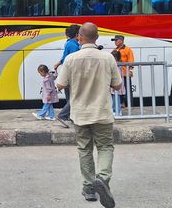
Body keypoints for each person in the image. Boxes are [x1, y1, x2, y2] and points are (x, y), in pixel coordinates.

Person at [56, 22, 122, 208]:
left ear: (79, 37)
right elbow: (117, 86)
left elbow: (60, 85)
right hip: (102, 112)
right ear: (97, 37)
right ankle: (102, 179)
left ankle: (89, 188)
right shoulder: (108, 58)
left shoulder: (71, 59)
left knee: (85, 149)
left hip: (80, 113)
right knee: (105, 147)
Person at [53, 24, 81, 126]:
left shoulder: (69, 43)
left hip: (67, 74)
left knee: (70, 97)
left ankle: (70, 117)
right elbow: (73, 60)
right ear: (77, 34)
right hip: (72, 75)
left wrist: (59, 63)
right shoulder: (74, 45)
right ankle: (63, 115)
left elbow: (65, 58)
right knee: (75, 97)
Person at [112, 35, 135, 107]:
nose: (115, 42)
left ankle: (129, 105)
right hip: (118, 74)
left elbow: (131, 61)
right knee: (119, 90)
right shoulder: (115, 50)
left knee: (127, 90)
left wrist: (130, 71)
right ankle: (121, 104)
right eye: (114, 40)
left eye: (116, 40)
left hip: (125, 74)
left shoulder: (128, 50)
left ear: (121, 40)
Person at [110, 50, 124, 116]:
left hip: (116, 85)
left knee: (116, 98)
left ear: (115, 58)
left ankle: (117, 110)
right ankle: (115, 110)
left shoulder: (117, 66)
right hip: (116, 85)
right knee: (114, 98)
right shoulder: (119, 65)